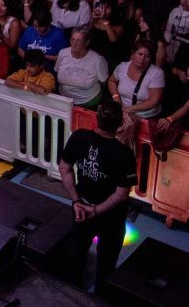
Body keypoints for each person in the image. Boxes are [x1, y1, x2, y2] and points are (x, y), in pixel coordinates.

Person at [57, 100, 137, 291]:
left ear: (97, 118)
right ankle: (102, 297)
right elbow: (121, 195)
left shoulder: (79, 137)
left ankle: (71, 291)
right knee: (107, 259)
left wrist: (76, 202)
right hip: (110, 214)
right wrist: (96, 210)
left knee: (76, 252)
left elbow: (64, 168)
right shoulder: (125, 154)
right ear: (120, 124)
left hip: (82, 207)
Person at [54, 27, 109, 106]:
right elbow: (56, 70)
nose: (74, 43)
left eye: (78, 40)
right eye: (72, 39)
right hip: (65, 100)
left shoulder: (98, 60)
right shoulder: (63, 53)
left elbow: (104, 82)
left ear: (86, 43)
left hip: (88, 102)